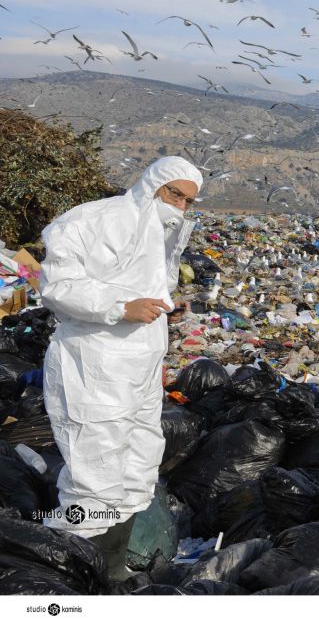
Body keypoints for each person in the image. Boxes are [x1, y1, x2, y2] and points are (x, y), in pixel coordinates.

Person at [39, 157, 202, 580]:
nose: (180, 207)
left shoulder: (161, 232)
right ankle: (72, 573)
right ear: (152, 185)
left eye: (188, 201)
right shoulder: (91, 221)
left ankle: (111, 568)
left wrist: (165, 307)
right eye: (175, 194)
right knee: (95, 466)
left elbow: (149, 285)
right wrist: (119, 308)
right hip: (95, 362)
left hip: (142, 366)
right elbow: (58, 287)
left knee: (137, 461)